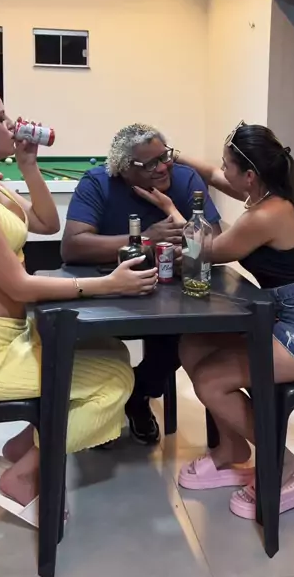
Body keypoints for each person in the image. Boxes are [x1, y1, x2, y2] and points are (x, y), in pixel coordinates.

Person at [0, 84, 157, 529]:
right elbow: (19, 286)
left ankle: (22, 447)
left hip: (10, 335)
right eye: (0, 118)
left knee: (112, 351)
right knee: (114, 383)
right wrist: (107, 284)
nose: (12, 124)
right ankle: (22, 474)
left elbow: (48, 223)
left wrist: (28, 165)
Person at [134, 121, 294, 518]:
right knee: (193, 344)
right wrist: (171, 155)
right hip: (289, 318)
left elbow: (205, 250)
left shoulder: (265, 215)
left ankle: (278, 460)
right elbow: (212, 174)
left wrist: (168, 214)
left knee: (211, 379)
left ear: (249, 174)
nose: (222, 170)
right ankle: (231, 448)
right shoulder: (265, 191)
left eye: (228, 164)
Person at [61, 123, 221, 445]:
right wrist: (144, 239)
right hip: (108, 291)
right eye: (150, 164)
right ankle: (101, 403)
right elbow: (73, 246)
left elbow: (214, 240)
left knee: (185, 337)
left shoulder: (186, 180)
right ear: (123, 168)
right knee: (89, 341)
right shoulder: (98, 183)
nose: (162, 167)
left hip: (169, 293)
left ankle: (137, 395)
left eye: (165, 156)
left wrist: (188, 252)